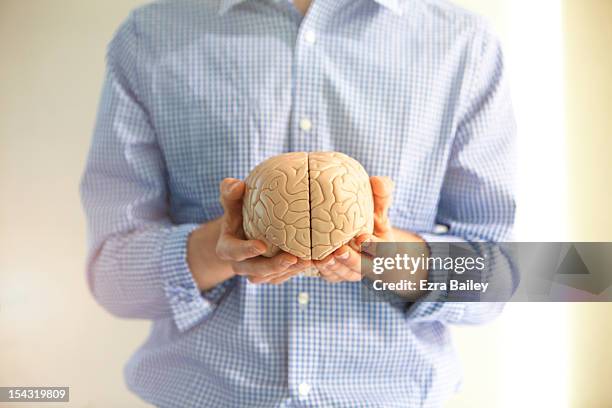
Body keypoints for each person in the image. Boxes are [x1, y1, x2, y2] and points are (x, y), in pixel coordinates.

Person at [80, 0, 516, 406]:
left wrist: (384, 255)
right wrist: (223, 246)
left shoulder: (462, 41)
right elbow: (111, 277)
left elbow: (501, 278)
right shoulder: (151, 35)